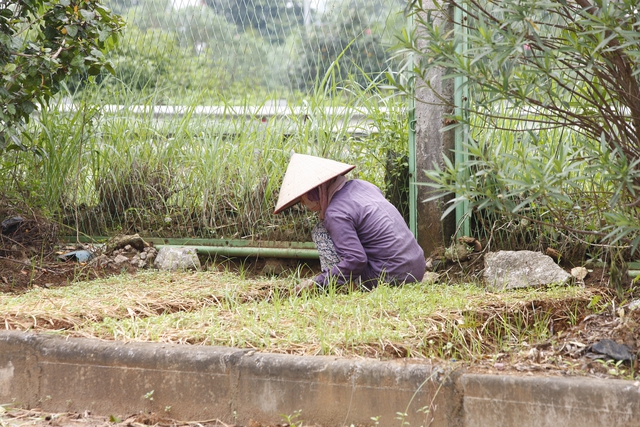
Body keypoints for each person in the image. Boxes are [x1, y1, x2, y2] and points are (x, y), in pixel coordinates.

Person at [274, 153, 426, 292]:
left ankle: (340, 288)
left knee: (320, 230)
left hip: (391, 276)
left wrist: (317, 282)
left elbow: (356, 259)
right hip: (417, 268)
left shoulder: (335, 213)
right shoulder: (364, 186)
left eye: (302, 198)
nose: (302, 204)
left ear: (314, 191)